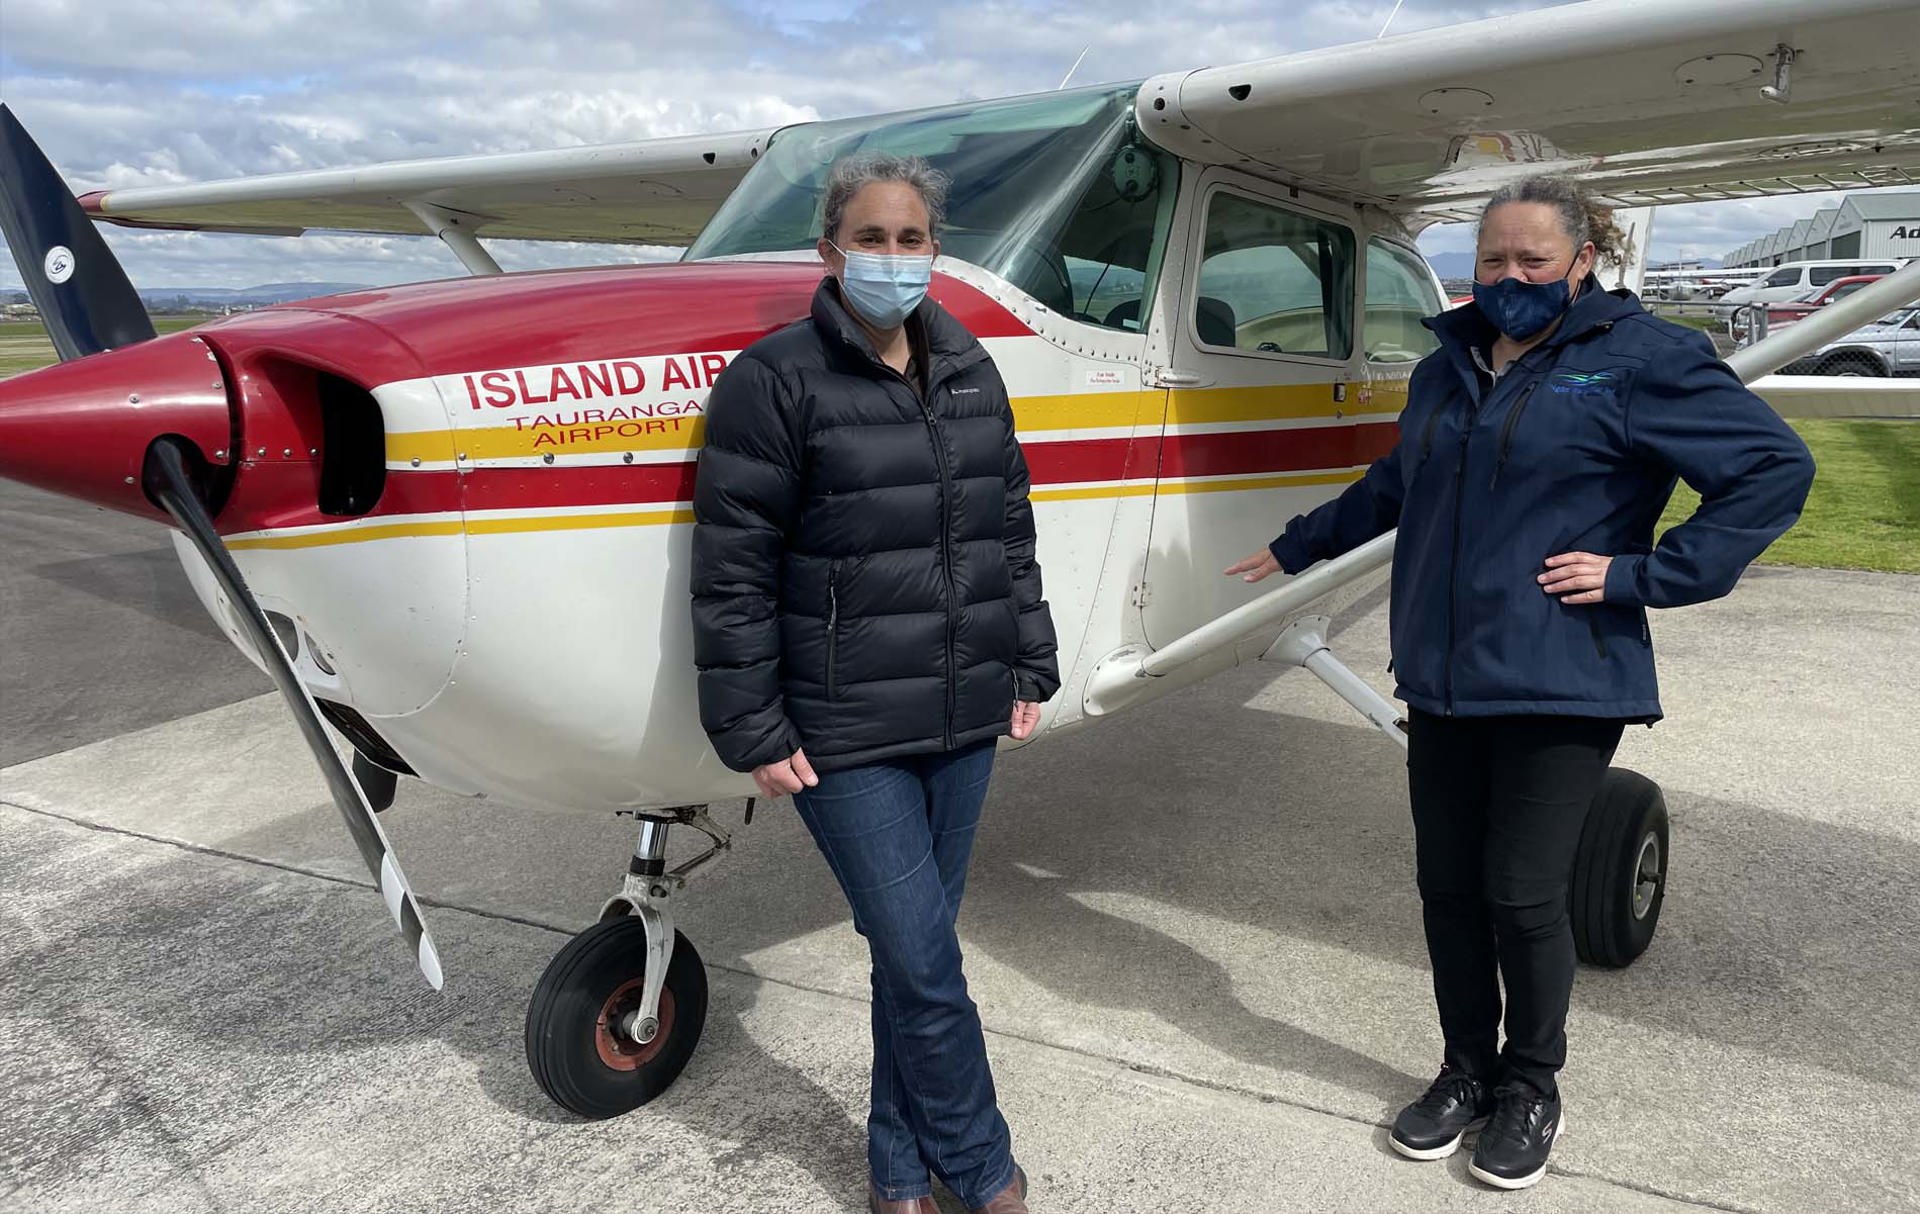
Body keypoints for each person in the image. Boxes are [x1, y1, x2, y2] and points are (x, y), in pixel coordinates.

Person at [1227, 175, 1815, 1191]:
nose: (1509, 277)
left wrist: (1643, 574)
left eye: (1533, 259)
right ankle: (1464, 1069)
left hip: (1561, 676)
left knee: (1524, 893)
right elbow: (1400, 480)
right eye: (1491, 259)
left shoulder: (1642, 358)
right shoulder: (1447, 363)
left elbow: (1773, 467)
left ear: (1584, 259)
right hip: (1445, 673)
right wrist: (1297, 546)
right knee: (1447, 888)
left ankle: (1530, 1085)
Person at [690, 152, 1058, 1214]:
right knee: (924, 960)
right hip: (845, 724)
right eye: (870, 237)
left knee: (914, 958)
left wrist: (1028, 654)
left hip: (964, 706)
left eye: (911, 239)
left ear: (935, 252)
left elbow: (1006, 530)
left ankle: (897, 1167)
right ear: (829, 249)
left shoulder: (972, 367)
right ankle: (985, 1167)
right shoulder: (776, 378)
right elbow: (733, 568)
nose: (892, 257)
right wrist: (751, 721)